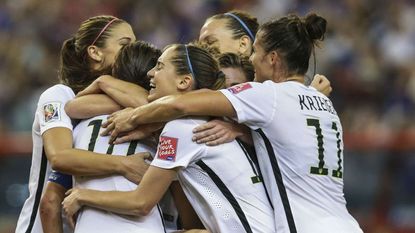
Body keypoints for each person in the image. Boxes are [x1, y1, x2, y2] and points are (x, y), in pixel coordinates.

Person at [99, 13, 363, 233]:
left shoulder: (267, 95)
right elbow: (289, 139)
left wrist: (133, 116)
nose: (251, 59)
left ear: (273, 59)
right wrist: (242, 130)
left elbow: (181, 103)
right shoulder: (323, 103)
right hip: (346, 224)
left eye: (256, 52)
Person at [62, 44, 275, 233]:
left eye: (160, 67)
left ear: (184, 81)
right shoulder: (200, 122)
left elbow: (141, 202)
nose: (151, 73)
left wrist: (81, 196)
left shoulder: (180, 129)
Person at [15, 15, 150, 233]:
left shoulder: (122, 99)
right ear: (95, 52)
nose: (133, 51)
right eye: (125, 44)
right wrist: (124, 165)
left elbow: (151, 104)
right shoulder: (59, 96)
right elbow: (60, 159)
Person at [69, 40, 170, 233]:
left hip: (90, 226)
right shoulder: (167, 127)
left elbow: (71, 107)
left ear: (115, 72)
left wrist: (105, 83)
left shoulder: (80, 124)